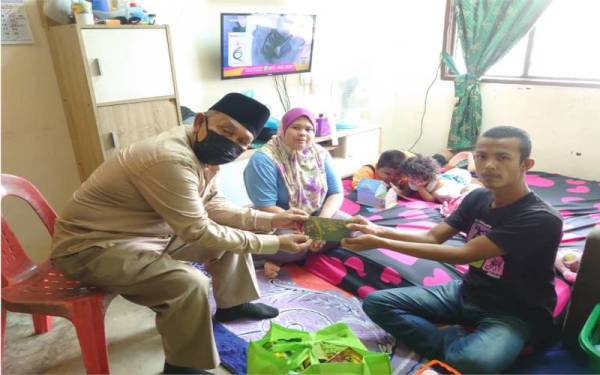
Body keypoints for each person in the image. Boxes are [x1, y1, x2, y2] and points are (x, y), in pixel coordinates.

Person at [50, 93, 311, 374]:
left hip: (150, 232)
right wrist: (274, 243)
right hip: (92, 245)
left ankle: (232, 305)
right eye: (226, 131)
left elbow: (212, 205)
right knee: (188, 283)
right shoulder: (168, 157)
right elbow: (198, 230)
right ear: (200, 121)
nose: (231, 144)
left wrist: (273, 218)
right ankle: (182, 367)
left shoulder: (204, 154)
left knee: (233, 235)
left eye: (242, 142)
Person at [341, 126, 563, 373]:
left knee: (476, 363)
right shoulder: (478, 197)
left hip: (513, 311)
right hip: (467, 292)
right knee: (375, 303)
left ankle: (451, 343)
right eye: (481, 156)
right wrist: (379, 230)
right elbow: (433, 237)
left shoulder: (541, 218)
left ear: (525, 164)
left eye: (502, 157)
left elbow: (463, 253)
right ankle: (454, 342)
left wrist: (381, 242)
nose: (488, 165)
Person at [244, 107, 345, 279]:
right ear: (282, 129)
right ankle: (261, 259)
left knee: (349, 228)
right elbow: (265, 207)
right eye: (296, 127)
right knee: (296, 246)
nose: (303, 133)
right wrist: (310, 230)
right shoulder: (263, 159)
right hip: (277, 221)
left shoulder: (320, 154)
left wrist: (320, 225)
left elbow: (336, 193)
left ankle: (278, 258)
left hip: (314, 214)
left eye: (308, 129)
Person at [403, 154, 479, 203]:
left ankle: (470, 158)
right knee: (440, 159)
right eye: (409, 176)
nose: (410, 180)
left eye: (414, 177)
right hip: (446, 175)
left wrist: (420, 187)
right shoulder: (411, 180)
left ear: (426, 176)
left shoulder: (435, 183)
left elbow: (430, 200)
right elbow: (405, 192)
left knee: (470, 171)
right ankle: (453, 163)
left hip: (458, 177)